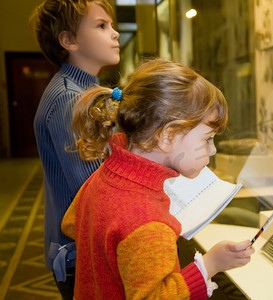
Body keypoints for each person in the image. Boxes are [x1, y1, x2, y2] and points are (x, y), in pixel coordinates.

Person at [61, 58, 255, 299]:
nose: (213, 150)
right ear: (167, 136)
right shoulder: (148, 221)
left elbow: (71, 222)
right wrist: (209, 265)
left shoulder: (107, 173)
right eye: (207, 139)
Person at [30, 0, 120, 298]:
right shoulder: (70, 99)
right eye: (101, 26)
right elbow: (95, 190)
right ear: (69, 40)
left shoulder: (83, 92)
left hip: (84, 248)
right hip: (82, 255)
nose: (115, 33)